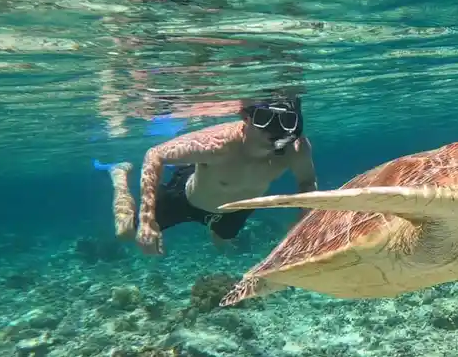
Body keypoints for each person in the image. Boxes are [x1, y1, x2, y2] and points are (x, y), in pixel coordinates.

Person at [105, 93, 318, 255]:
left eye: (286, 122)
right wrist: (146, 220)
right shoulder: (218, 144)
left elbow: (307, 181)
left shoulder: (296, 149)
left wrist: (303, 223)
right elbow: (154, 155)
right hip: (186, 199)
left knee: (222, 243)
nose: (274, 130)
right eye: (265, 118)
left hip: (238, 209)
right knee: (124, 233)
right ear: (245, 116)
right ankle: (119, 178)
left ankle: (217, 231)